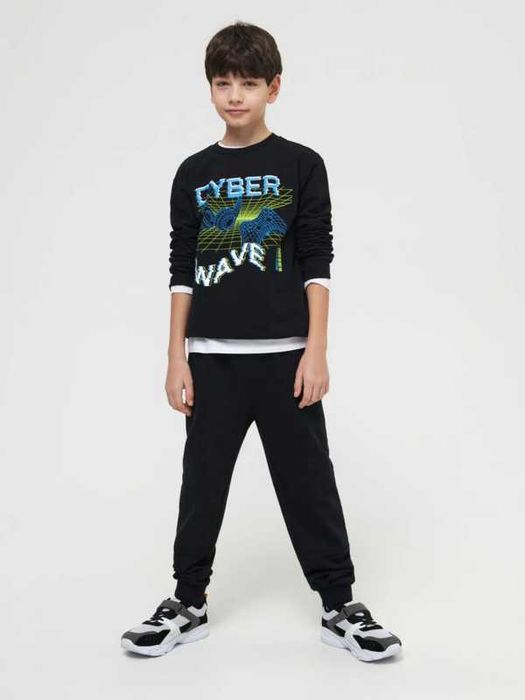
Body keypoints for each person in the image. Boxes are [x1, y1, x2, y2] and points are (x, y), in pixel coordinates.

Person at [121, 21, 402, 662]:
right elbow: (182, 269)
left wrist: (316, 349)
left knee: (309, 483)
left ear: (273, 88)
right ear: (209, 89)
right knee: (202, 485)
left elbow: (316, 261)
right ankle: (187, 602)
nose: (235, 96)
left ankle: (340, 605)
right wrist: (175, 357)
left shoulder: (302, 165)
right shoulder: (194, 173)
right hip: (212, 360)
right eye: (223, 83)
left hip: (285, 360)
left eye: (248, 83)